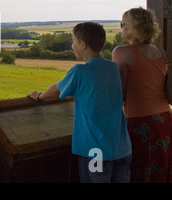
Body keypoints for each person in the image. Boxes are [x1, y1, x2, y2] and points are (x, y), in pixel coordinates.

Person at [27, 22, 132, 183]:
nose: (72, 45)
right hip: (122, 149)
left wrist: (40, 96)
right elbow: (92, 93)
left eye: (73, 41)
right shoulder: (112, 68)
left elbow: (57, 89)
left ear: (83, 45)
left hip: (95, 152)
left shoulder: (80, 71)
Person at [112, 7, 172, 183]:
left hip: (138, 120)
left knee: (139, 170)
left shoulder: (121, 52)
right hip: (163, 118)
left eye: (122, 23)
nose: (121, 27)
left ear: (131, 27)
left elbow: (119, 92)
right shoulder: (161, 52)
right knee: (160, 168)